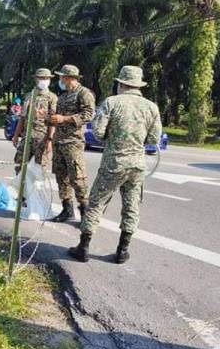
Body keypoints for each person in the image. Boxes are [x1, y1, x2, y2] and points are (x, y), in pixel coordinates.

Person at [69, 65, 162, 264]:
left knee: (96, 203)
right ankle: (122, 250)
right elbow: (154, 138)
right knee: (132, 205)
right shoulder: (151, 107)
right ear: (138, 85)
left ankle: (83, 247)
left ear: (120, 83)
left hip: (113, 163)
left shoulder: (111, 102)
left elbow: (98, 133)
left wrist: (113, 140)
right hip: (137, 165)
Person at [48, 64, 95, 222]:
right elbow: (56, 118)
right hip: (59, 141)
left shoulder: (84, 93)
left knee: (77, 177)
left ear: (69, 78)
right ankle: (67, 209)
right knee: (61, 177)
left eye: (62, 76)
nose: (60, 79)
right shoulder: (62, 96)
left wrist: (65, 119)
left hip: (73, 142)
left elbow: (88, 114)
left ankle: (85, 212)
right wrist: (47, 117)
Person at [12, 68, 58, 175]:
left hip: (42, 138)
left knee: (40, 170)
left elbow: (53, 121)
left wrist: (50, 140)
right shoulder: (29, 96)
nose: (44, 80)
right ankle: (21, 190)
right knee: (19, 167)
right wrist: (16, 135)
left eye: (46, 78)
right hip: (27, 137)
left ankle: (36, 191)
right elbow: (23, 117)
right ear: (36, 79)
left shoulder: (52, 98)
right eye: (41, 78)